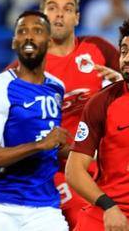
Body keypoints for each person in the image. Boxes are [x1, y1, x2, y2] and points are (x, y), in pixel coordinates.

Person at [0, 0, 121, 228]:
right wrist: (35, 145)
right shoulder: (23, 70)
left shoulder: (98, 49)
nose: (60, 14)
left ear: (77, 18)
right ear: (43, 18)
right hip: (57, 171)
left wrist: (121, 81)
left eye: (67, 9)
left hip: (103, 164)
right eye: (52, 8)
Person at [0, 11, 70, 230]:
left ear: (49, 42)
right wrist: (40, 145)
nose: (29, 36)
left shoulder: (57, 88)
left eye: (37, 31)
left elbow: (52, 147)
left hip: (45, 210)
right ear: (14, 42)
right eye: (22, 31)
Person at [65, 19, 129, 230]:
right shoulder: (103, 101)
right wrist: (108, 207)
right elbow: (74, 170)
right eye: (124, 51)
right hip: (109, 211)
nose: (126, 58)